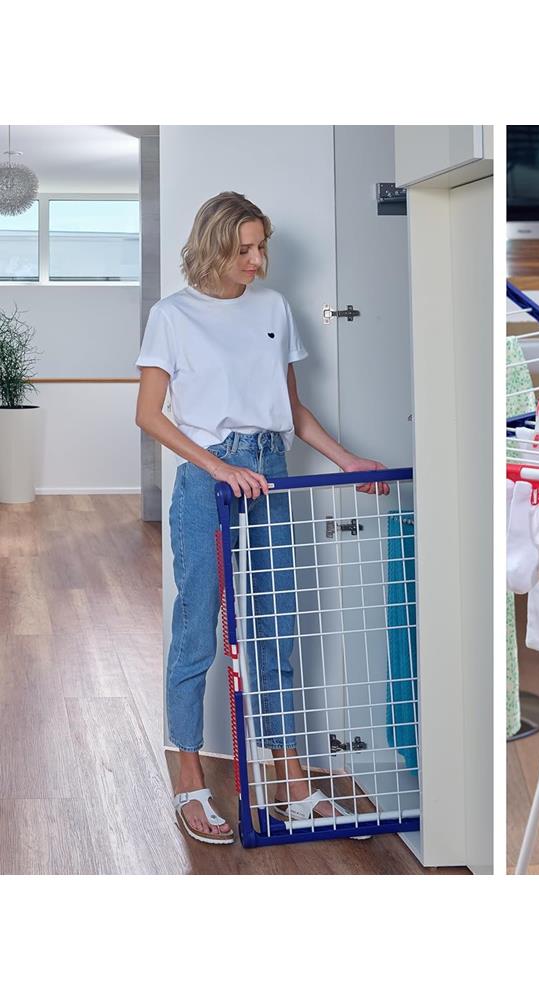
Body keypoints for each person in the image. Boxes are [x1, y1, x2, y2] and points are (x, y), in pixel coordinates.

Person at [136, 191, 388, 845]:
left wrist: (346, 460)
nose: (257, 259)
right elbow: (150, 414)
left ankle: (292, 784)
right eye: (243, 247)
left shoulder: (273, 308)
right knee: (197, 631)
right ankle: (189, 781)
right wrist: (219, 468)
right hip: (208, 479)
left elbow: (292, 410)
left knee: (274, 631)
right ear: (214, 246)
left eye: (261, 245)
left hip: (271, 471)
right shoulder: (173, 315)